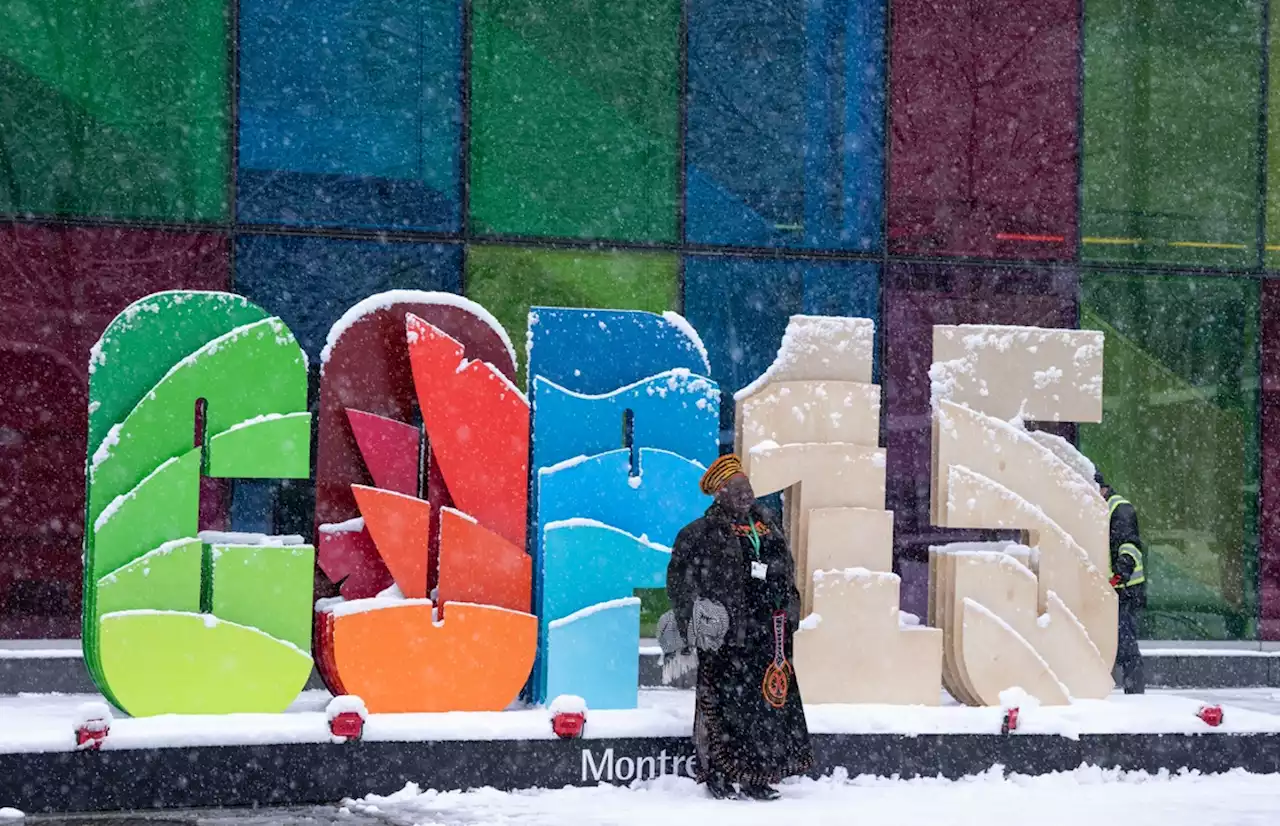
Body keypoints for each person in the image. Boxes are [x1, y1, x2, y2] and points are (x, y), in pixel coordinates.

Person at [665, 453, 814, 801]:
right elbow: (680, 583)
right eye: (735, 488)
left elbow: (786, 573)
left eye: (747, 487)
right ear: (718, 493)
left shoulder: (769, 526)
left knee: (763, 707)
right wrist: (697, 621)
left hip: (767, 634)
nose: (745, 494)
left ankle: (757, 775)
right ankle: (717, 774)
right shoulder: (698, 533)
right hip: (725, 635)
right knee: (722, 705)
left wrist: (789, 609)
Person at [1097, 471, 1147, 694]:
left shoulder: (1119, 509)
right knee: (1111, 638)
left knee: (1124, 642)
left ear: (1101, 488)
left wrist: (1121, 573)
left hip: (1123, 588)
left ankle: (1134, 689)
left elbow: (1130, 546)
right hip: (1109, 586)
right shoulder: (1098, 509)